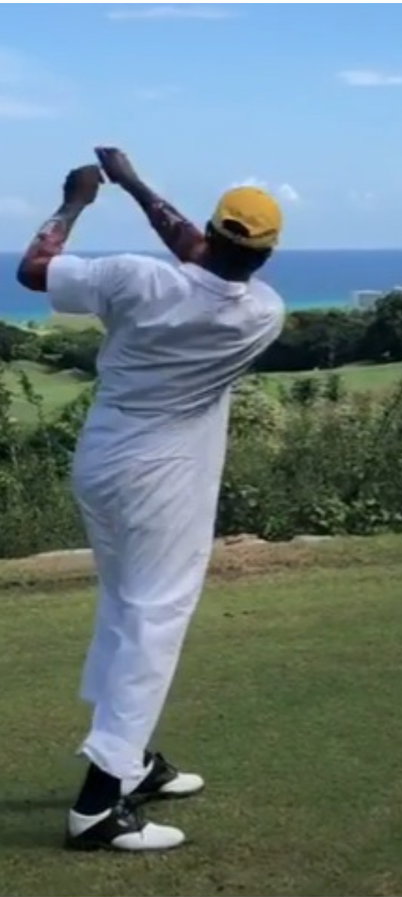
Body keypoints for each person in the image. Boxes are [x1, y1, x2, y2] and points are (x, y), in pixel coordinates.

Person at [14, 148, 286, 852]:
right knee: (154, 618)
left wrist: (77, 201)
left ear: (212, 231)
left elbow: (35, 270)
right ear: (266, 255)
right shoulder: (264, 313)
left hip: (103, 464)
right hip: (165, 482)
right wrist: (136, 186)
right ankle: (99, 805)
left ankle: (130, 761)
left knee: (126, 606)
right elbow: (197, 253)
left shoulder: (135, 280)